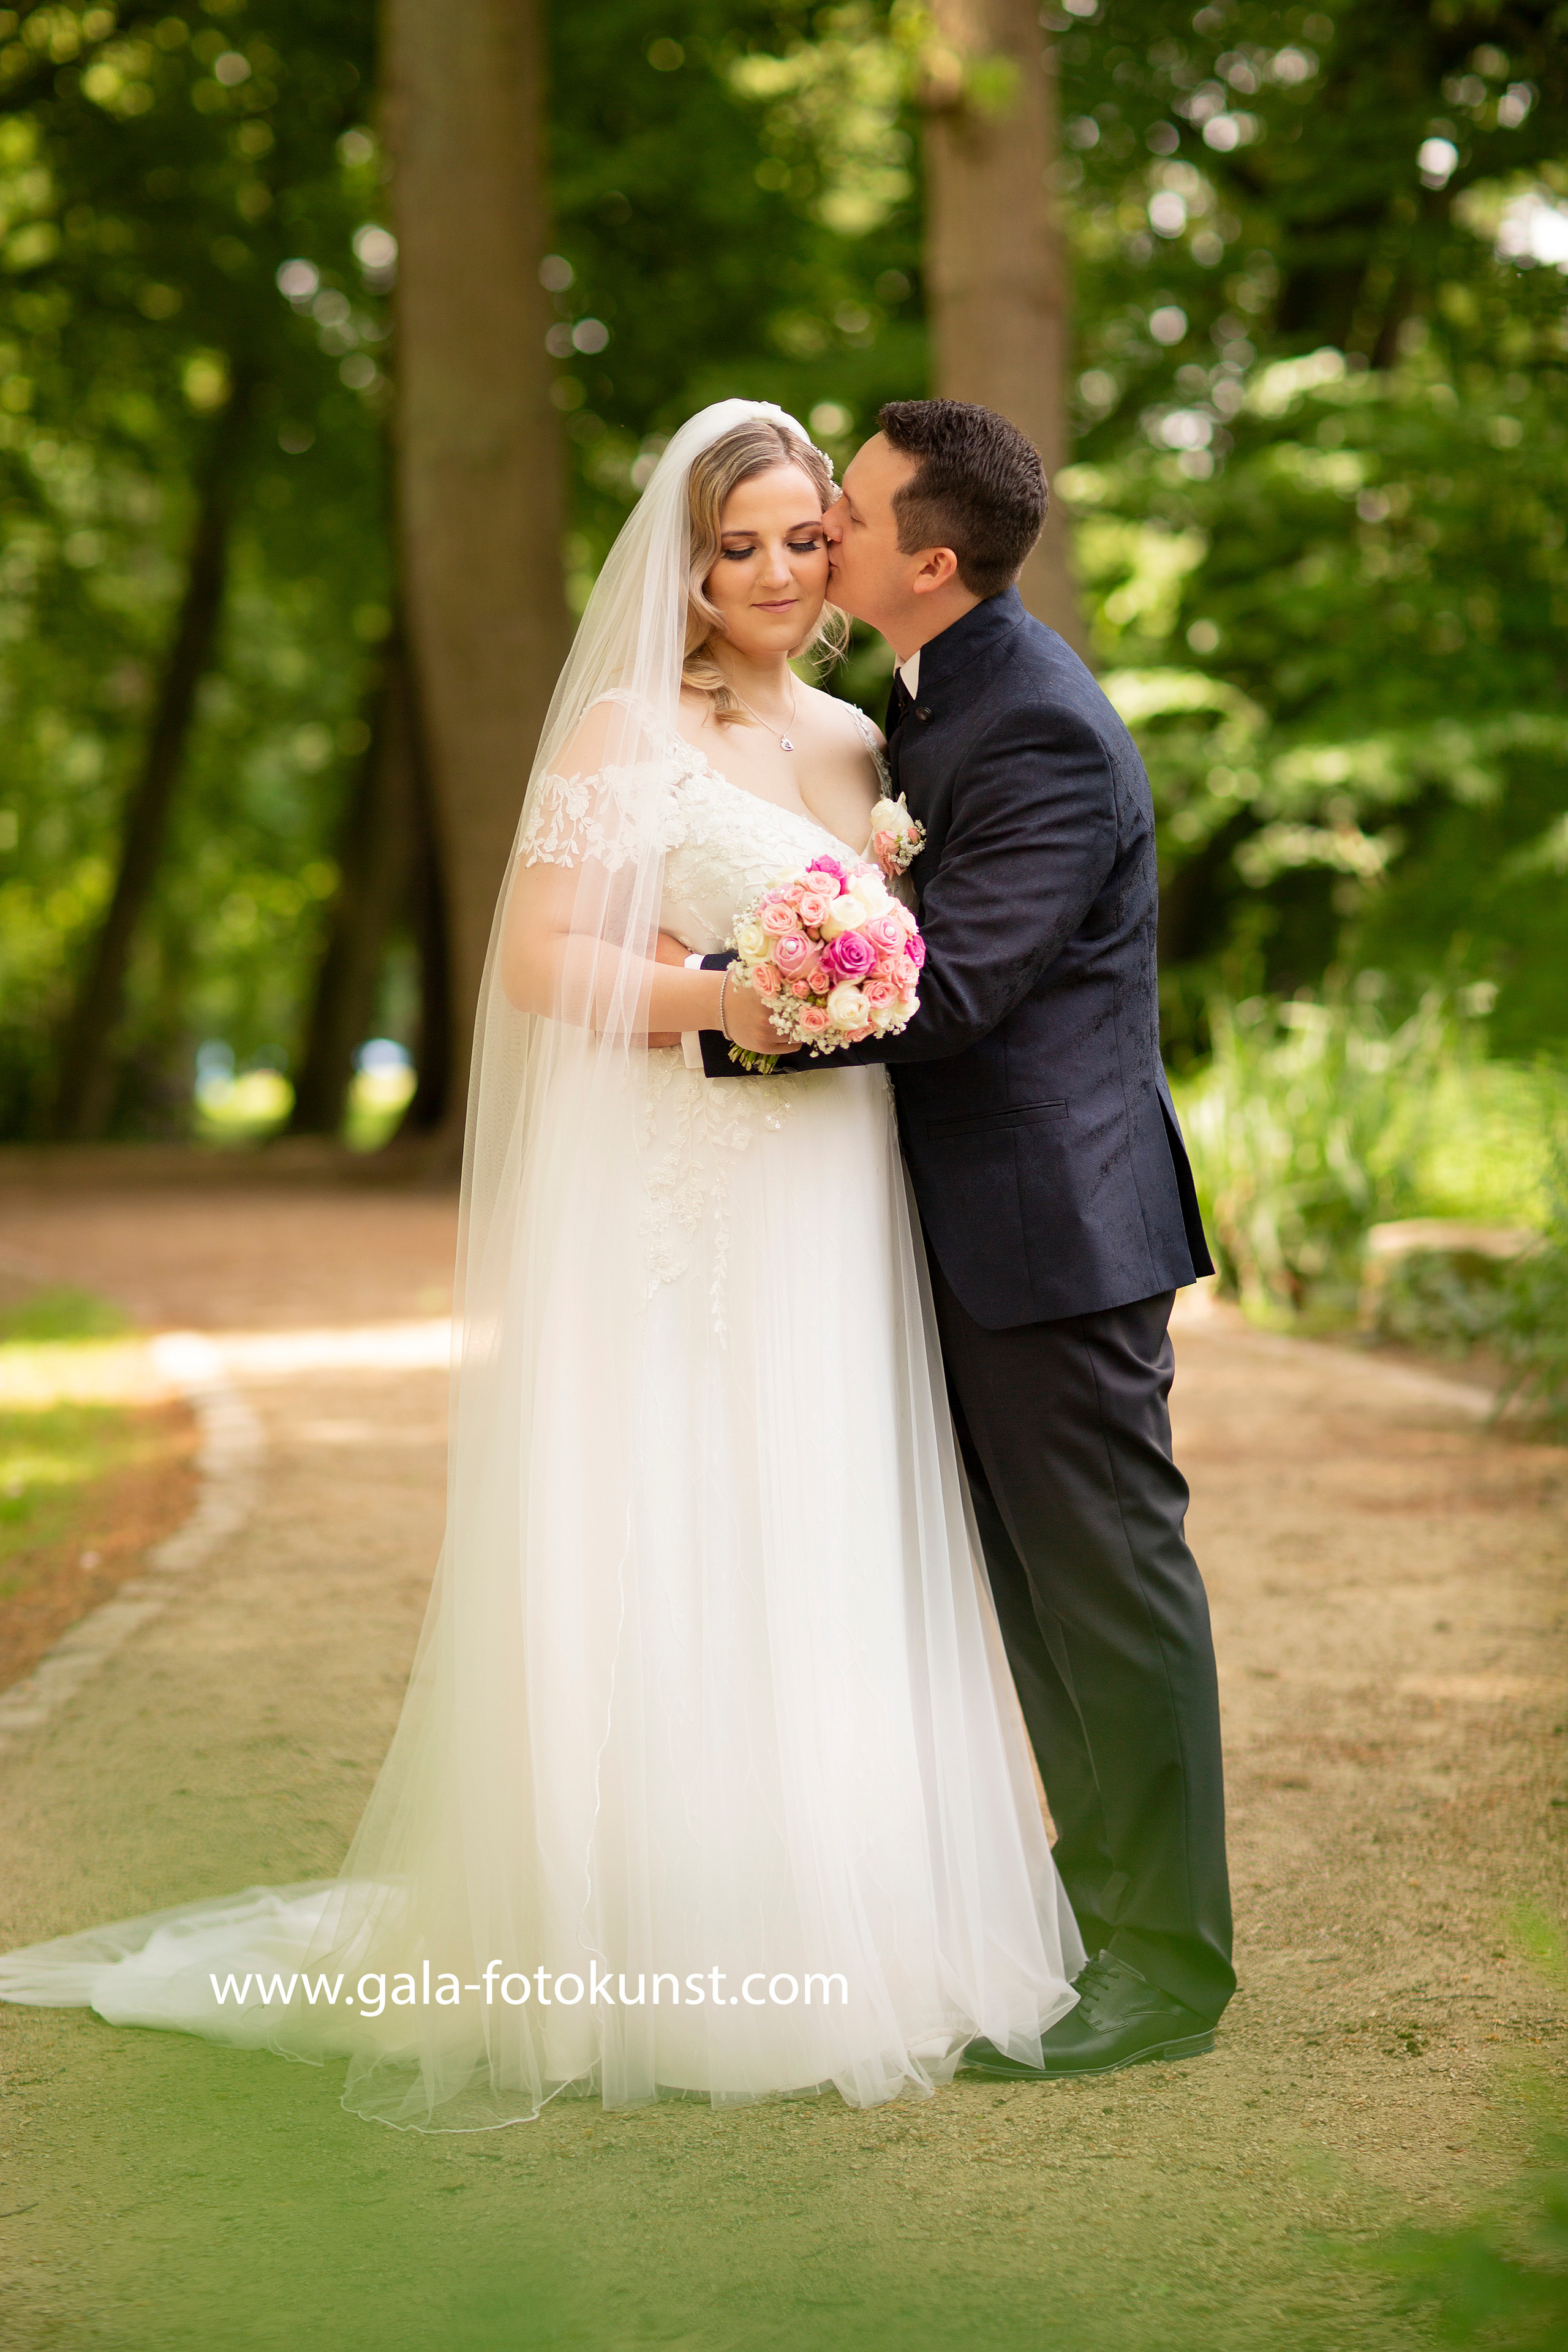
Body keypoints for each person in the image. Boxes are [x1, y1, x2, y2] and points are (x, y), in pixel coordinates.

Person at [0, 401, 1084, 2128]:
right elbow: (537, 965)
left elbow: (915, 972)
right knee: (670, 1512)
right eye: (743, 547)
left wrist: (837, 984)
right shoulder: (621, 734)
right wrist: (734, 995)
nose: (783, 574)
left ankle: (831, 1917)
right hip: (686, 1179)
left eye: (810, 540)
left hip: (830, 1188)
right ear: (686, 559)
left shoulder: (869, 751)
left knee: (811, 1508)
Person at [690, 401, 1235, 2074]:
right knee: (1032, 1591)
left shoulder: (1040, 731)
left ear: (928, 561)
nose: (819, 531)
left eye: (842, 512)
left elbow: (965, 987)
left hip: (1053, 1231)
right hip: (971, 1221)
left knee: (1109, 1588)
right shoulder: (941, 697)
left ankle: (1171, 1968)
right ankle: (1102, 1907)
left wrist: (728, 1024)